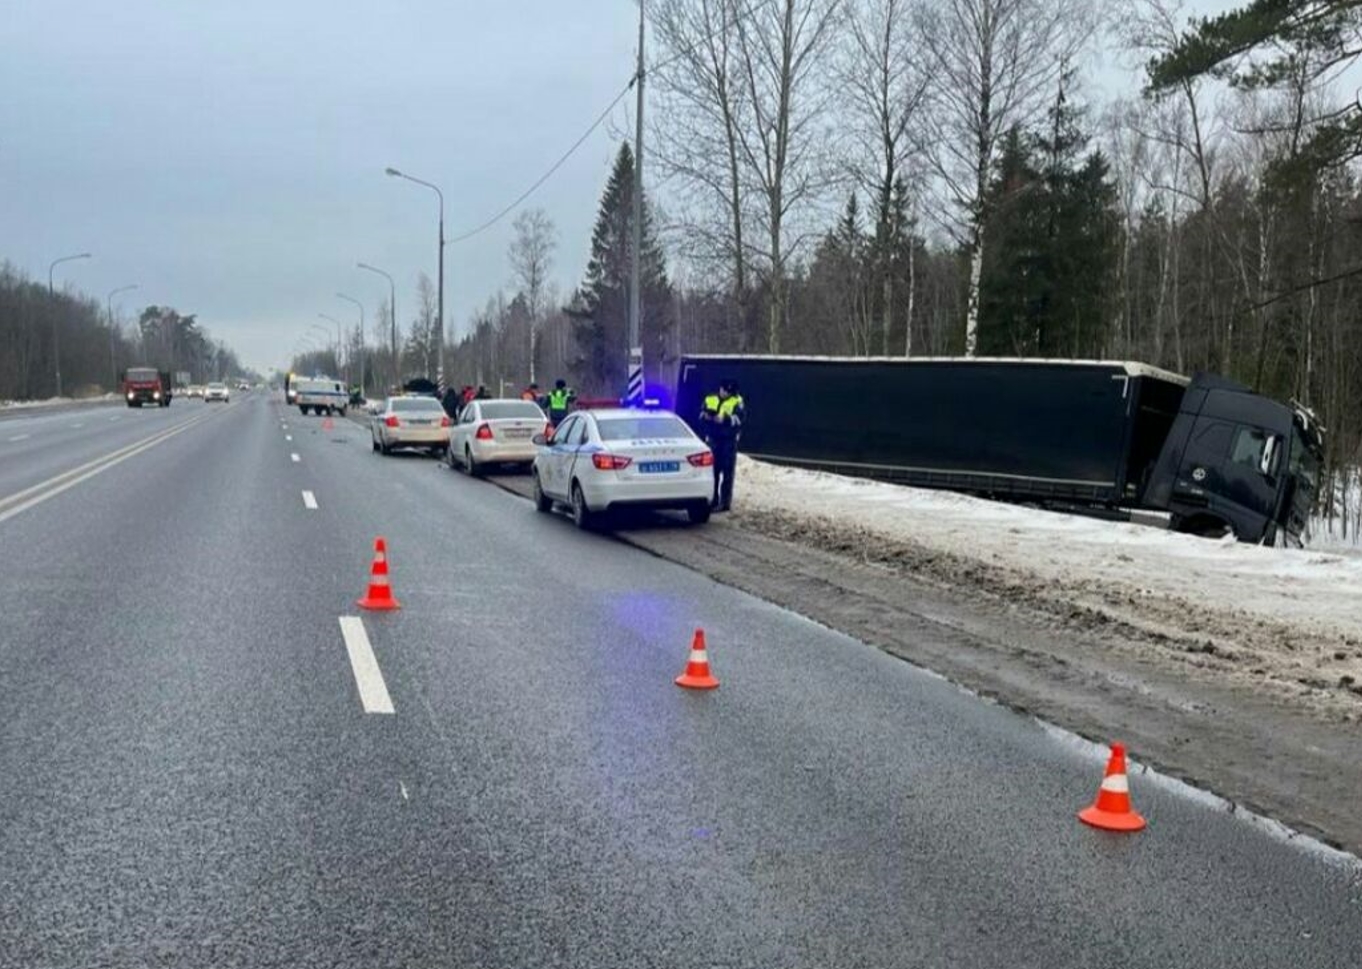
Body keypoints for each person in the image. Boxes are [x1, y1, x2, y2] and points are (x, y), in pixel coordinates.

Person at [699, 379, 745, 512]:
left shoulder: (737, 401)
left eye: (731, 392)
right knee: (713, 471)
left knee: (727, 472)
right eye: (726, 391)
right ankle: (713, 499)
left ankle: (725, 503)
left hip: (728, 440)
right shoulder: (710, 398)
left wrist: (725, 419)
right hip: (713, 438)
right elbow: (701, 414)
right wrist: (708, 417)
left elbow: (739, 419)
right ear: (721, 389)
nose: (728, 394)